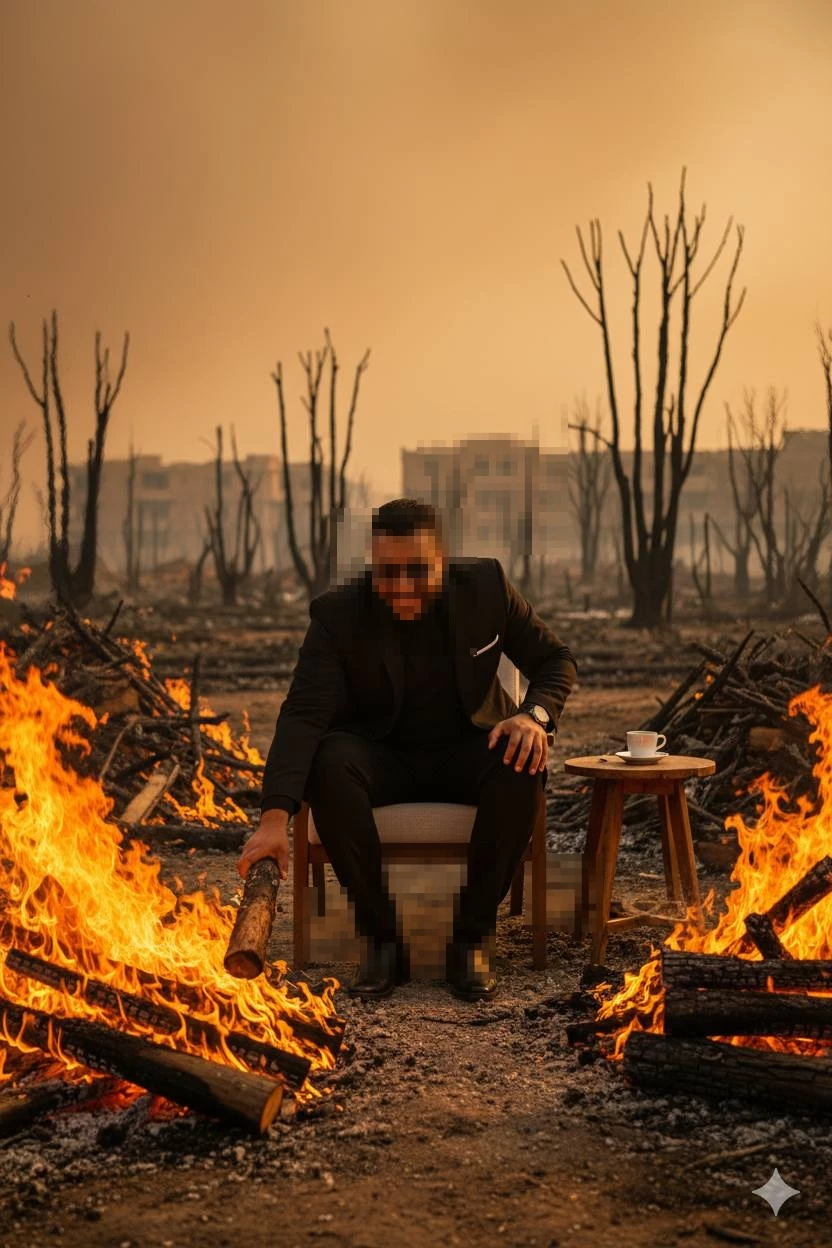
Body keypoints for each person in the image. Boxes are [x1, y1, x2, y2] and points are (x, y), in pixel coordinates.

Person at [238, 498, 577, 1000]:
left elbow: (556, 660)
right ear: (372, 564)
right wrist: (273, 821)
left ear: (443, 559)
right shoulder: (338, 614)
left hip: (471, 747)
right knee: (329, 761)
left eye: (417, 571)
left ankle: (471, 941)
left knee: (522, 762)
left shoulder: (485, 587)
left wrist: (535, 716)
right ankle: (382, 942)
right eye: (387, 572)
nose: (401, 587)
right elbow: (304, 714)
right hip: (381, 755)